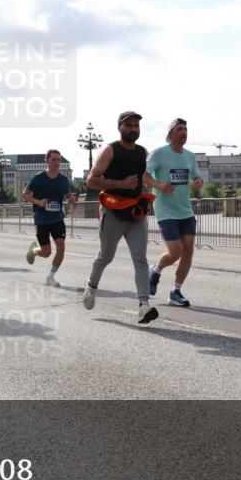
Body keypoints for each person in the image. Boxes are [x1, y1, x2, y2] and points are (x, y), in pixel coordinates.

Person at [83, 111, 158, 325]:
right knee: (105, 257)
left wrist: (148, 195)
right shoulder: (110, 150)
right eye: (129, 125)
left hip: (136, 214)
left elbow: (142, 180)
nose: (133, 128)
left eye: (136, 125)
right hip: (113, 212)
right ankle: (91, 286)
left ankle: (143, 306)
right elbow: (91, 181)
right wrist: (120, 184)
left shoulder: (143, 152)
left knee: (140, 258)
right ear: (120, 127)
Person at [147, 118, 205, 308]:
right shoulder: (159, 154)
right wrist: (159, 185)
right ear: (171, 133)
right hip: (165, 210)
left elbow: (196, 177)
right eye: (179, 129)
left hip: (185, 209)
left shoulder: (189, 156)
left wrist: (198, 183)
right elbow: (143, 174)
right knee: (176, 251)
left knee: (188, 249)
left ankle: (175, 291)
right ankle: (155, 270)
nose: (184, 132)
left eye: (186, 129)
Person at [22, 149, 76, 287]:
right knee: (46, 253)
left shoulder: (63, 179)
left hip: (57, 218)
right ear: (47, 161)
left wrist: (70, 199)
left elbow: (67, 195)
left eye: (59, 160)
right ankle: (34, 250)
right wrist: (39, 203)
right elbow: (25, 194)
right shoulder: (38, 178)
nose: (57, 162)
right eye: (54, 159)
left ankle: (50, 276)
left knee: (61, 247)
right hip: (42, 219)